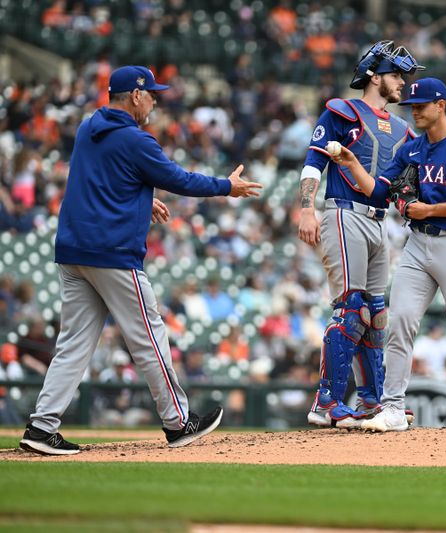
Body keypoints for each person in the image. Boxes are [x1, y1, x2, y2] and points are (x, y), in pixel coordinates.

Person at [19, 65, 262, 456]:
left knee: (74, 344)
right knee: (149, 337)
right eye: (151, 94)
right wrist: (226, 186)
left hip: (73, 252)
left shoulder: (87, 128)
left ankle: (41, 425)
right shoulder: (137, 140)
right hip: (112, 253)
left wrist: (141, 198)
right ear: (134, 95)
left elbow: (98, 180)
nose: (154, 100)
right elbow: (179, 179)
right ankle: (178, 422)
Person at [329, 78, 446, 432]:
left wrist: (427, 211)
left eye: (421, 105)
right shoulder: (412, 150)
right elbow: (378, 191)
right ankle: (393, 408)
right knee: (399, 322)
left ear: (441, 105)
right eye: (412, 106)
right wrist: (354, 164)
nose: (414, 110)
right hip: (417, 245)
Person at [297, 41, 424, 428]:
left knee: (377, 315)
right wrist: (306, 207)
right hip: (343, 213)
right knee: (352, 308)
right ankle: (327, 402)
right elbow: (314, 160)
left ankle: (371, 401)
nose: (402, 83)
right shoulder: (342, 111)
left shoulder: (403, 129)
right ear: (374, 75)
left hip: (377, 220)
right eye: (395, 75)